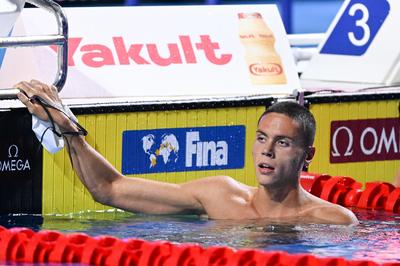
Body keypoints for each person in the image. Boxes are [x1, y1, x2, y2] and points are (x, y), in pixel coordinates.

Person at [15, 80, 358, 225]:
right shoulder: (220, 196)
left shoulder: (332, 221)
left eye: (282, 143)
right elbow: (110, 189)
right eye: (261, 138)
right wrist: (65, 123)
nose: (266, 151)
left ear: (307, 155)